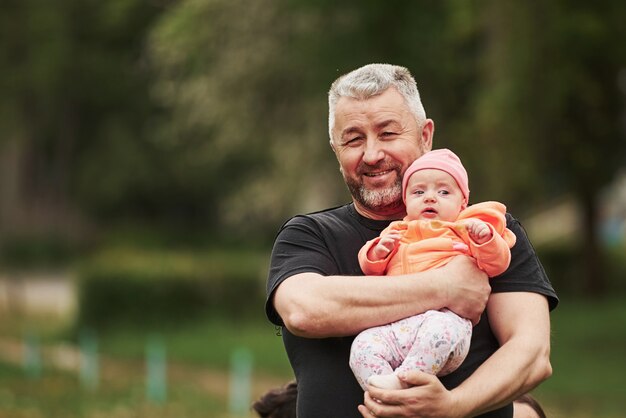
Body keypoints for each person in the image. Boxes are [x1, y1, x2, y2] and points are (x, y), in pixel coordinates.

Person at [265, 63, 558, 418]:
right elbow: (304, 309)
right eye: (354, 139)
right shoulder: (310, 234)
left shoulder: (485, 229)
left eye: (387, 134)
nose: (372, 154)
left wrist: (451, 406)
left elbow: (532, 354)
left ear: (425, 136)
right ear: (335, 149)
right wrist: (446, 287)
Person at [350, 148, 516, 391]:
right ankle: (384, 395)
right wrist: (378, 251)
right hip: (397, 326)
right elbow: (370, 269)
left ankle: (404, 382)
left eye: (443, 191)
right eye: (419, 191)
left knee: (438, 330)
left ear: (463, 201)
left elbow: (497, 263)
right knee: (363, 345)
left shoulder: (465, 230)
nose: (430, 197)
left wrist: (485, 240)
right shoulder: (397, 232)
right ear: (406, 201)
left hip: (446, 326)